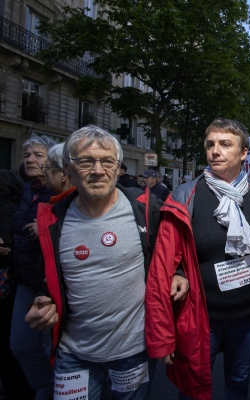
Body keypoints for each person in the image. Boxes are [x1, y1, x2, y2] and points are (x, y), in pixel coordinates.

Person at [24, 125, 189, 400]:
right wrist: (43, 304)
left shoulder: (148, 211)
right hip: (72, 354)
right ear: (67, 168)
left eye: (107, 161)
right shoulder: (52, 218)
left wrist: (179, 272)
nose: (98, 170)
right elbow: (48, 278)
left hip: (133, 353)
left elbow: (173, 253)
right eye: (86, 161)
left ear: (117, 167)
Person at [145, 118, 250, 400]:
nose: (215, 151)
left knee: (238, 381)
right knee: (193, 387)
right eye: (210, 144)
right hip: (201, 318)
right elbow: (163, 267)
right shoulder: (185, 195)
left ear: (244, 152)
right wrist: (162, 334)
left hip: (248, 318)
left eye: (225, 144)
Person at [10, 135, 56, 400]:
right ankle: (47, 388)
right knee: (22, 345)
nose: (30, 159)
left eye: (38, 155)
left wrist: (47, 229)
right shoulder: (28, 190)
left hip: (50, 281)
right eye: (27, 155)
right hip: (25, 279)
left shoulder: (59, 191)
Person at [0, 170, 35, 400]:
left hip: (16, 279)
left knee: (14, 342)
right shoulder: (23, 204)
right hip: (18, 278)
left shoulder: (12, 209)